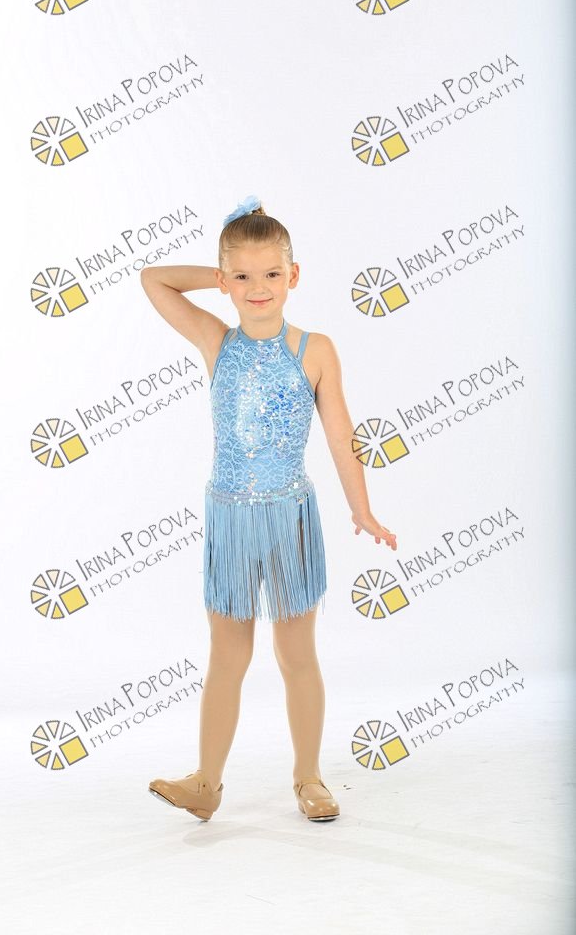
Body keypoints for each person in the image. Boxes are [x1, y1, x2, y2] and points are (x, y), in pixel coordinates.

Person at [140, 195, 397, 823]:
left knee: (295, 653)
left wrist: (362, 510)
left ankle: (309, 777)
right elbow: (153, 280)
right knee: (227, 655)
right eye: (243, 276)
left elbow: (341, 435)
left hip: (289, 517)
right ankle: (206, 783)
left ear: (294, 275)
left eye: (272, 274)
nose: (259, 288)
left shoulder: (315, 349)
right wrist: (218, 277)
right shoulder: (216, 340)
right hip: (230, 517)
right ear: (227, 281)